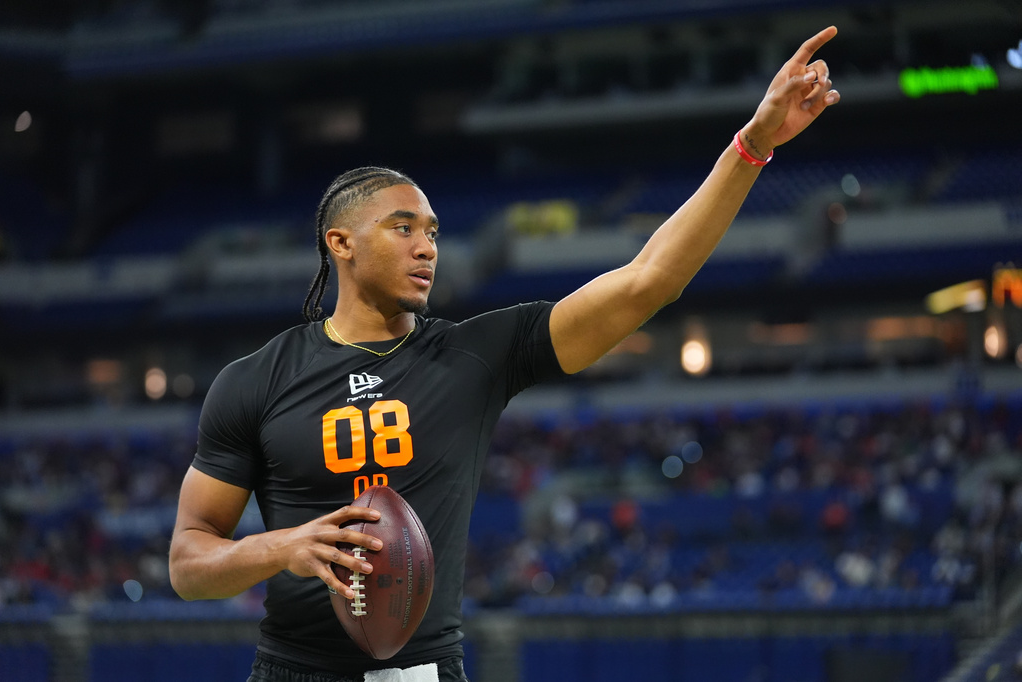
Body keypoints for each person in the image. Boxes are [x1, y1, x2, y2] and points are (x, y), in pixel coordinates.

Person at [168, 26, 841, 682]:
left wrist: (752, 145)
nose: (427, 247)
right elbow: (188, 562)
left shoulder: (475, 354)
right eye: (402, 228)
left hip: (427, 671)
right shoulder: (254, 381)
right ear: (340, 244)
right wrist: (280, 547)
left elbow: (649, 280)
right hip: (294, 671)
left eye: (431, 231)